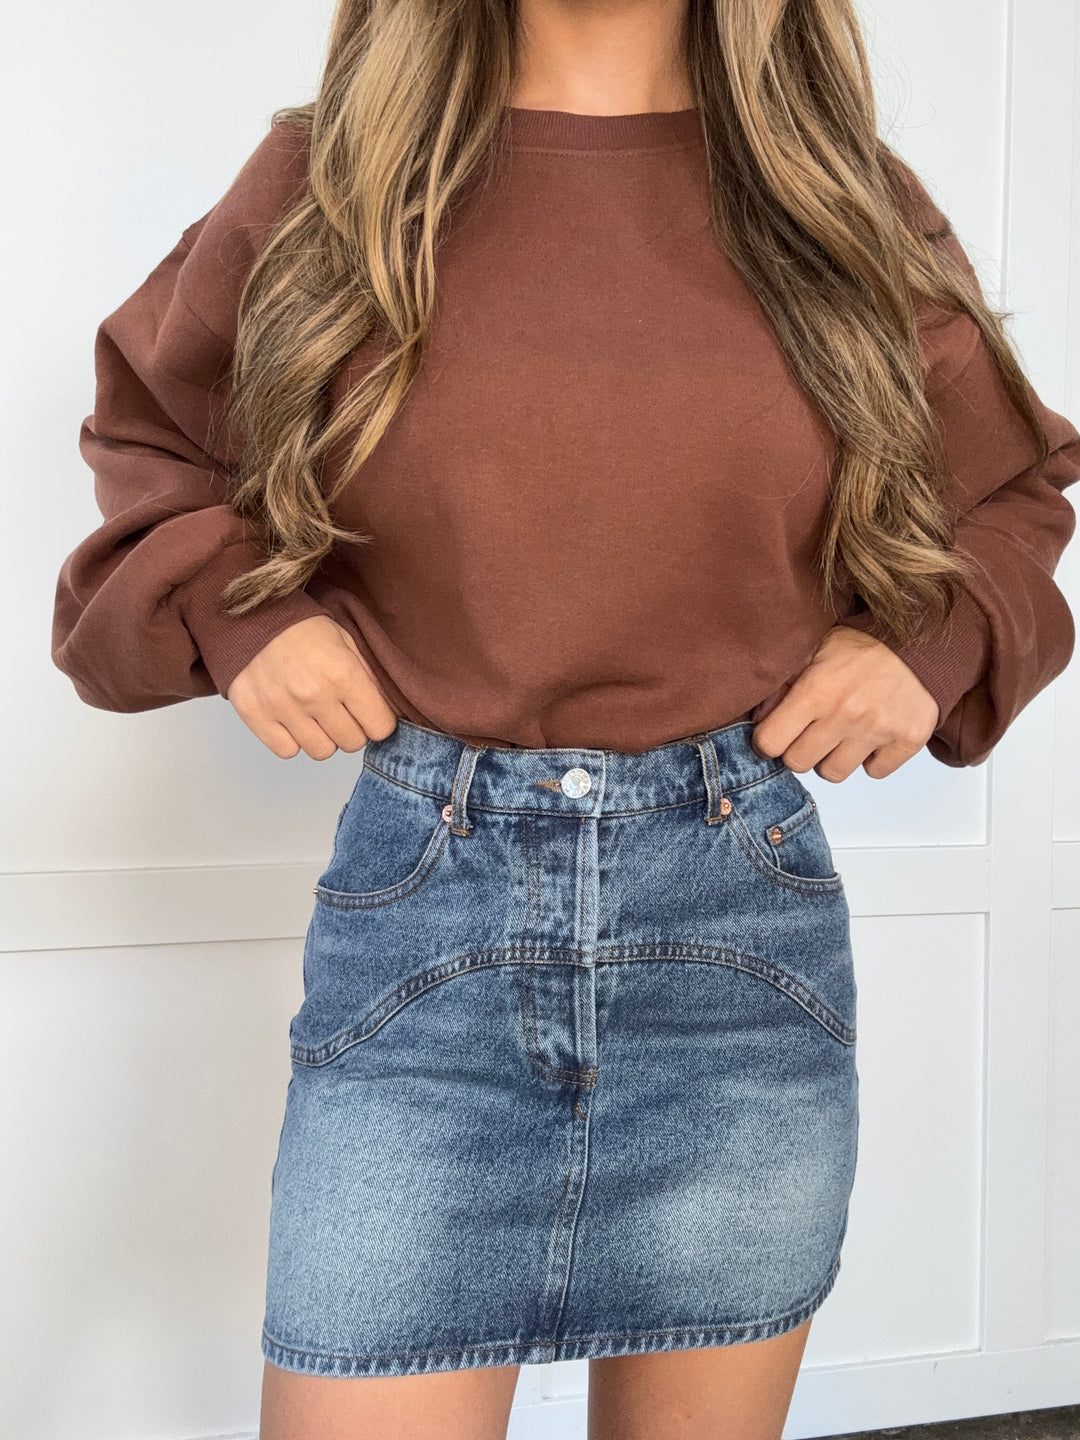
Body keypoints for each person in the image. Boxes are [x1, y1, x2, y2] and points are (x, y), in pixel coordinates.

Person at [51, 0, 1078, 1433]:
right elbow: (154, 435)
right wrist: (243, 616)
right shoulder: (324, 181)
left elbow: (1009, 492)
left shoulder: (834, 198)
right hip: (427, 932)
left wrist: (931, 642)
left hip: (735, 943)